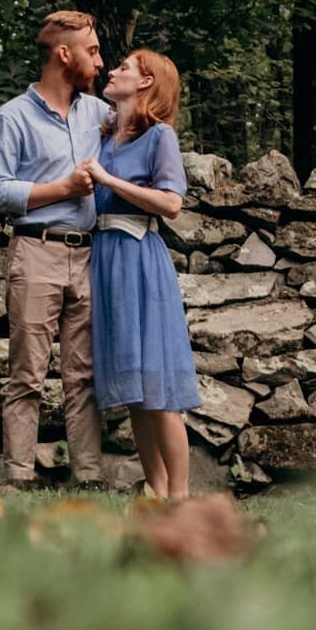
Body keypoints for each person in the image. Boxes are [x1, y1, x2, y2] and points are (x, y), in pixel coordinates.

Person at [0, 10, 113, 487]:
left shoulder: (100, 115)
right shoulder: (12, 116)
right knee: (28, 374)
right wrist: (62, 189)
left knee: (84, 375)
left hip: (91, 254)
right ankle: (17, 476)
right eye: (92, 51)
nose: (99, 62)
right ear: (64, 54)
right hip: (36, 251)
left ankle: (90, 476)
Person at [82, 49, 201, 498]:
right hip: (104, 260)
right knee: (133, 388)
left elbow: (171, 203)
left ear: (147, 82)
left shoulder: (160, 137)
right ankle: (155, 491)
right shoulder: (105, 136)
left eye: (125, 68)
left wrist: (109, 182)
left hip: (139, 258)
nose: (112, 71)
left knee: (159, 386)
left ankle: (181, 497)